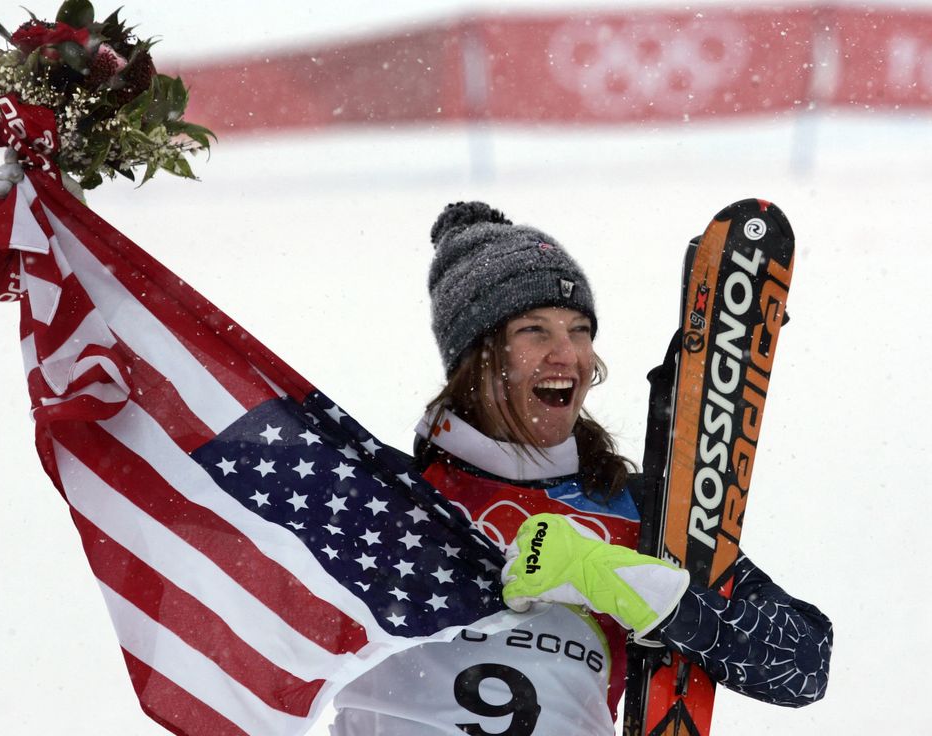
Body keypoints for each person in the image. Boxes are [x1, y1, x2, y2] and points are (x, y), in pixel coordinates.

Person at [330, 201, 832, 735]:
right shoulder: (382, 502)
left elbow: (804, 665)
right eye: (534, 330)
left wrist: (644, 591)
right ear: (477, 355)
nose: (567, 354)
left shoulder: (632, 509)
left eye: (580, 330)